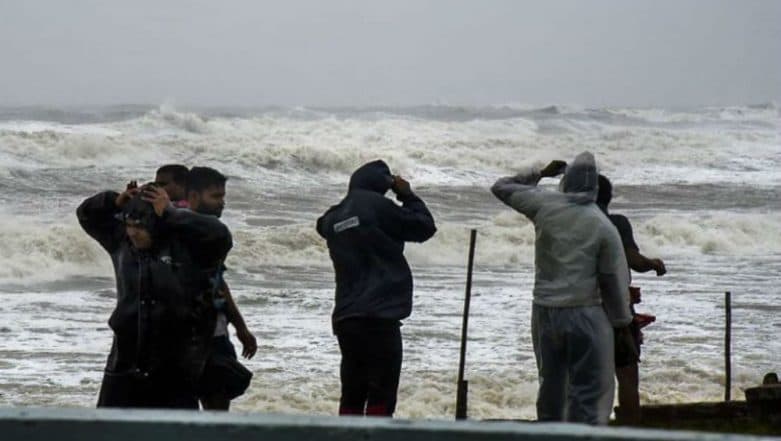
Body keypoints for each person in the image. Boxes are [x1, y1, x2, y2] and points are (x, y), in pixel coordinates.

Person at [491, 152, 632, 425]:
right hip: (586, 313)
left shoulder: (544, 204)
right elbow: (612, 282)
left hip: (544, 311)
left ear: (566, 181)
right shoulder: (603, 226)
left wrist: (539, 174)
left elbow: (501, 187)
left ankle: (550, 433)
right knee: (590, 393)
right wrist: (622, 324)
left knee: (551, 387)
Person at [77, 182, 232, 409]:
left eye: (139, 226)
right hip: (124, 362)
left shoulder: (188, 248)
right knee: (110, 431)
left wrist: (171, 213)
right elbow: (86, 215)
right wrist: (113, 200)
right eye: (129, 224)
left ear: (157, 222)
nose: (132, 232)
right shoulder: (121, 243)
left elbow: (220, 235)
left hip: (175, 367)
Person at [316, 160, 437, 417]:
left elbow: (321, 224)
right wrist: (406, 194)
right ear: (382, 185)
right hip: (380, 315)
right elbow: (424, 227)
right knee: (381, 391)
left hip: (347, 317)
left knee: (352, 390)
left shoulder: (334, 216)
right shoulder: (379, 206)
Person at [596, 174, 666, 425]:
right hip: (616, 310)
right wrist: (654, 264)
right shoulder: (616, 223)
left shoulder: (570, 223)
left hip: (579, 308)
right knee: (626, 375)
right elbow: (634, 261)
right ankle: (630, 430)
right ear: (609, 197)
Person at [186, 166, 257, 410]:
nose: (222, 203)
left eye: (223, 196)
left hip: (216, 334)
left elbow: (219, 285)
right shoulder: (180, 233)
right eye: (215, 196)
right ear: (193, 196)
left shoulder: (211, 234)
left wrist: (240, 328)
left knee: (217, 409)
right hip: (189, 338)